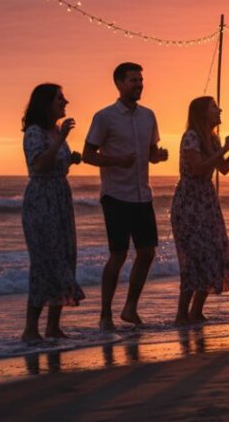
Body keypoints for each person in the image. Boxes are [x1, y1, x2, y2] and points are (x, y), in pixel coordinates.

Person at [83, 62, 168, 330]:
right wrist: (117, 160)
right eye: (133, 80)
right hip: (116, 195)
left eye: (140, 80)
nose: (139, 85)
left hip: (143, 195)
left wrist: (158, 157)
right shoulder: (104, 117)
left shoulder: (148, 116)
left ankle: (130, 307)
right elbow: (87, 155)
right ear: (119, 83)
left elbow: (152, 153)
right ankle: (105, 314)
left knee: (147, 253)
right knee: (118, 255)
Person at [171, 97, 229, 325]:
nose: (219, 109)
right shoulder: (191, 137)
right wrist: (223, 149)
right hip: (190, 203)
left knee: (213, 252)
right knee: (194, 256)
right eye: (214, 107)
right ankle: (182, 314)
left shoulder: (212, 138)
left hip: (207, 201)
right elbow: (199, 168)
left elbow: (222, 168)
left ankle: (197, 312)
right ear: (203, 112)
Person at [20, 84, 85, 342]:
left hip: (60, 197)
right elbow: (39, 164)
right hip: (41, 200)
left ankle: (53, 326)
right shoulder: (35, 132)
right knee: (45, 261)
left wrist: (71, 159)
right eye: (60, 98)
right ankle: (30, 329)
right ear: (46, 103)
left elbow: (57, 165)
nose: (65, 101)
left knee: (65, 257)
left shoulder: (54, 131)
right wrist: (62, 140)